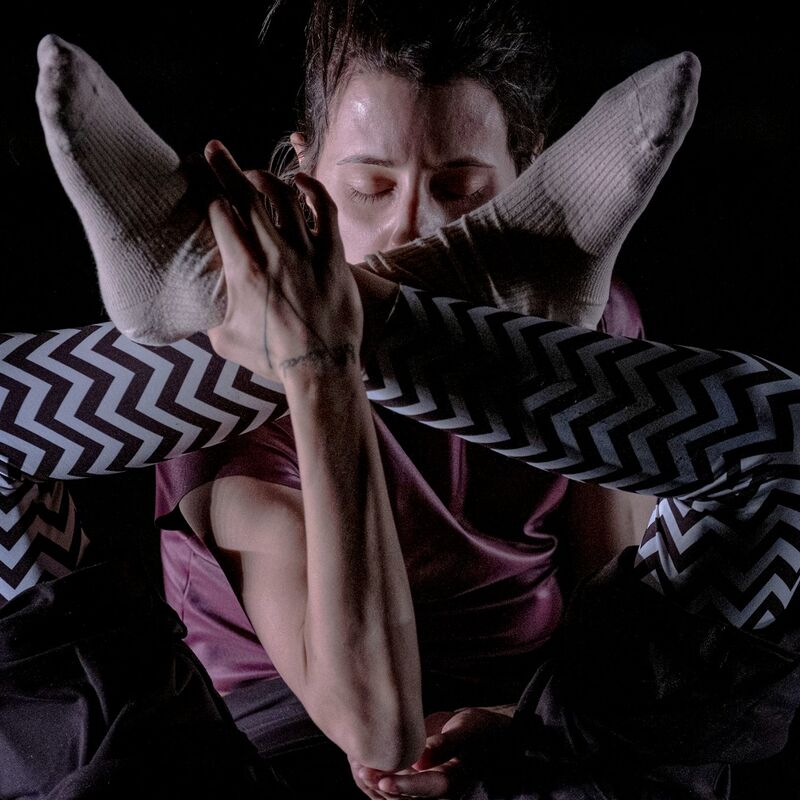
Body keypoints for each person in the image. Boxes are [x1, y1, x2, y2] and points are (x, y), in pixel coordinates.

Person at [22, 2, 701, 795]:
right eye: (371, 186)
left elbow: (613, 610)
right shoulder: (222, 389)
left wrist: (527, 725)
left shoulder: (597, 324)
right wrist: (318, 364)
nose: (415, 224)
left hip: (539, 733)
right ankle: (207, 294)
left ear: (531, 176)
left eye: (461, 187)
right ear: (303, 172)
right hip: (278, 760)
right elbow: (373, 729)